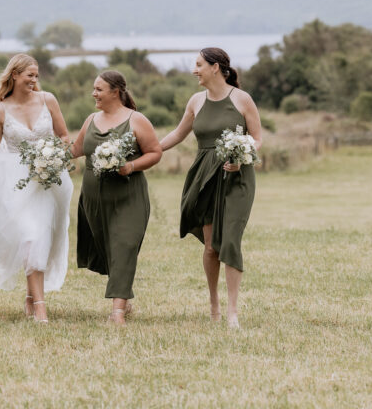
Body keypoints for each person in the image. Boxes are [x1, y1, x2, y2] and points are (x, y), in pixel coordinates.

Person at [159, 48, 264, 329]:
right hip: (204, 175)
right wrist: (150, 149)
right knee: (210, 247)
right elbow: (178, 134)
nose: (195, 70)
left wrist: (240, 158)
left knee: (230, 240)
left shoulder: (242, 99)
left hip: (237, 178)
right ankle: (213, 303)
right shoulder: (196, 101)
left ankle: (232, 312)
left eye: (199, 65)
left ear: (215, 67)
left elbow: (256, 138)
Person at [0, 54, 72, 323]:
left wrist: (54, 156)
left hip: (49, 181)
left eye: (36, 76)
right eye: (29, 75)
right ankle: (40, 305)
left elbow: (64, 136)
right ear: (14, 75)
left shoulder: (48, 100)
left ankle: (31, 295)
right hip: (15, 182)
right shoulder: (0, 111)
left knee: (42, 237)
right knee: (30, 237)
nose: (34, 80)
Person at [70, 70, 162, 325]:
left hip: (128, 196)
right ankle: (124, 299)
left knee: (124, 245)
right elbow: (76, 149)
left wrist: (130, 167)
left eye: (99, 89)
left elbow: (154, 152)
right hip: (93, 198)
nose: (94, 93)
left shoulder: (136, 120)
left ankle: (117, 313)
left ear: (115, 91)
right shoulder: (91, 119)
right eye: (94, 88)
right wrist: (45, 155)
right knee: (109, 250)